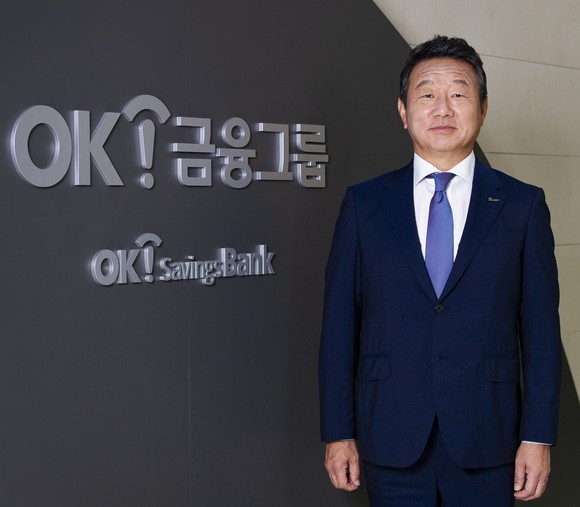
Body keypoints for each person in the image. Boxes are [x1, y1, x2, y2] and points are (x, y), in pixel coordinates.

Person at [318, 35, 561, 506]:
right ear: (403, 111)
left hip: (489, 440)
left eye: (459, 93)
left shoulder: (522, 206)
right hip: (390, 437)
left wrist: (538, 436)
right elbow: (339, 327)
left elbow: (541, 334)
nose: (443, 108)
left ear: (483, 109)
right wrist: (338, 431)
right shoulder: (364, 205)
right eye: (427, 94)